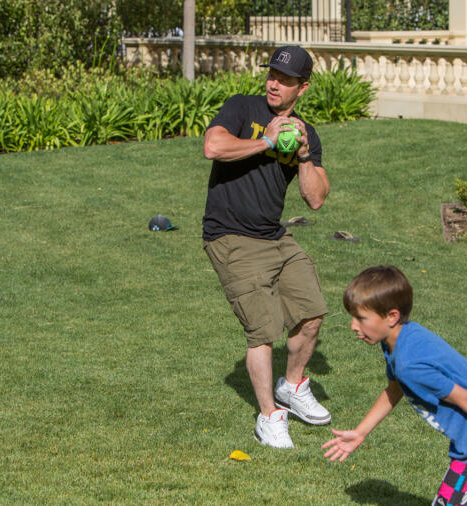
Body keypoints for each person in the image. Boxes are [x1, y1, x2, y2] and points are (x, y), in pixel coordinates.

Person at [323, 266, 467, 506]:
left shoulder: (409, 363)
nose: (353, 326)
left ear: (391, 316)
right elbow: (395, 389)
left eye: (361, 318)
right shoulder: (400, 339)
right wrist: (360, 432)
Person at [202, 45, 331, 449]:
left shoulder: (306, 133)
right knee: (262, 332)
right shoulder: (243, 108)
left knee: (311, 314)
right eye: (272, 74)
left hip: (273, 234)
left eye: (285, 79)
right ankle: (269, 417)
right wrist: (266, 141)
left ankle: (291, 386)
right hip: (230, 235)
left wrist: (305, 155)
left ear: (302, 87)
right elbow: (213, 146)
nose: (274, 83)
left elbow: (316, 199)